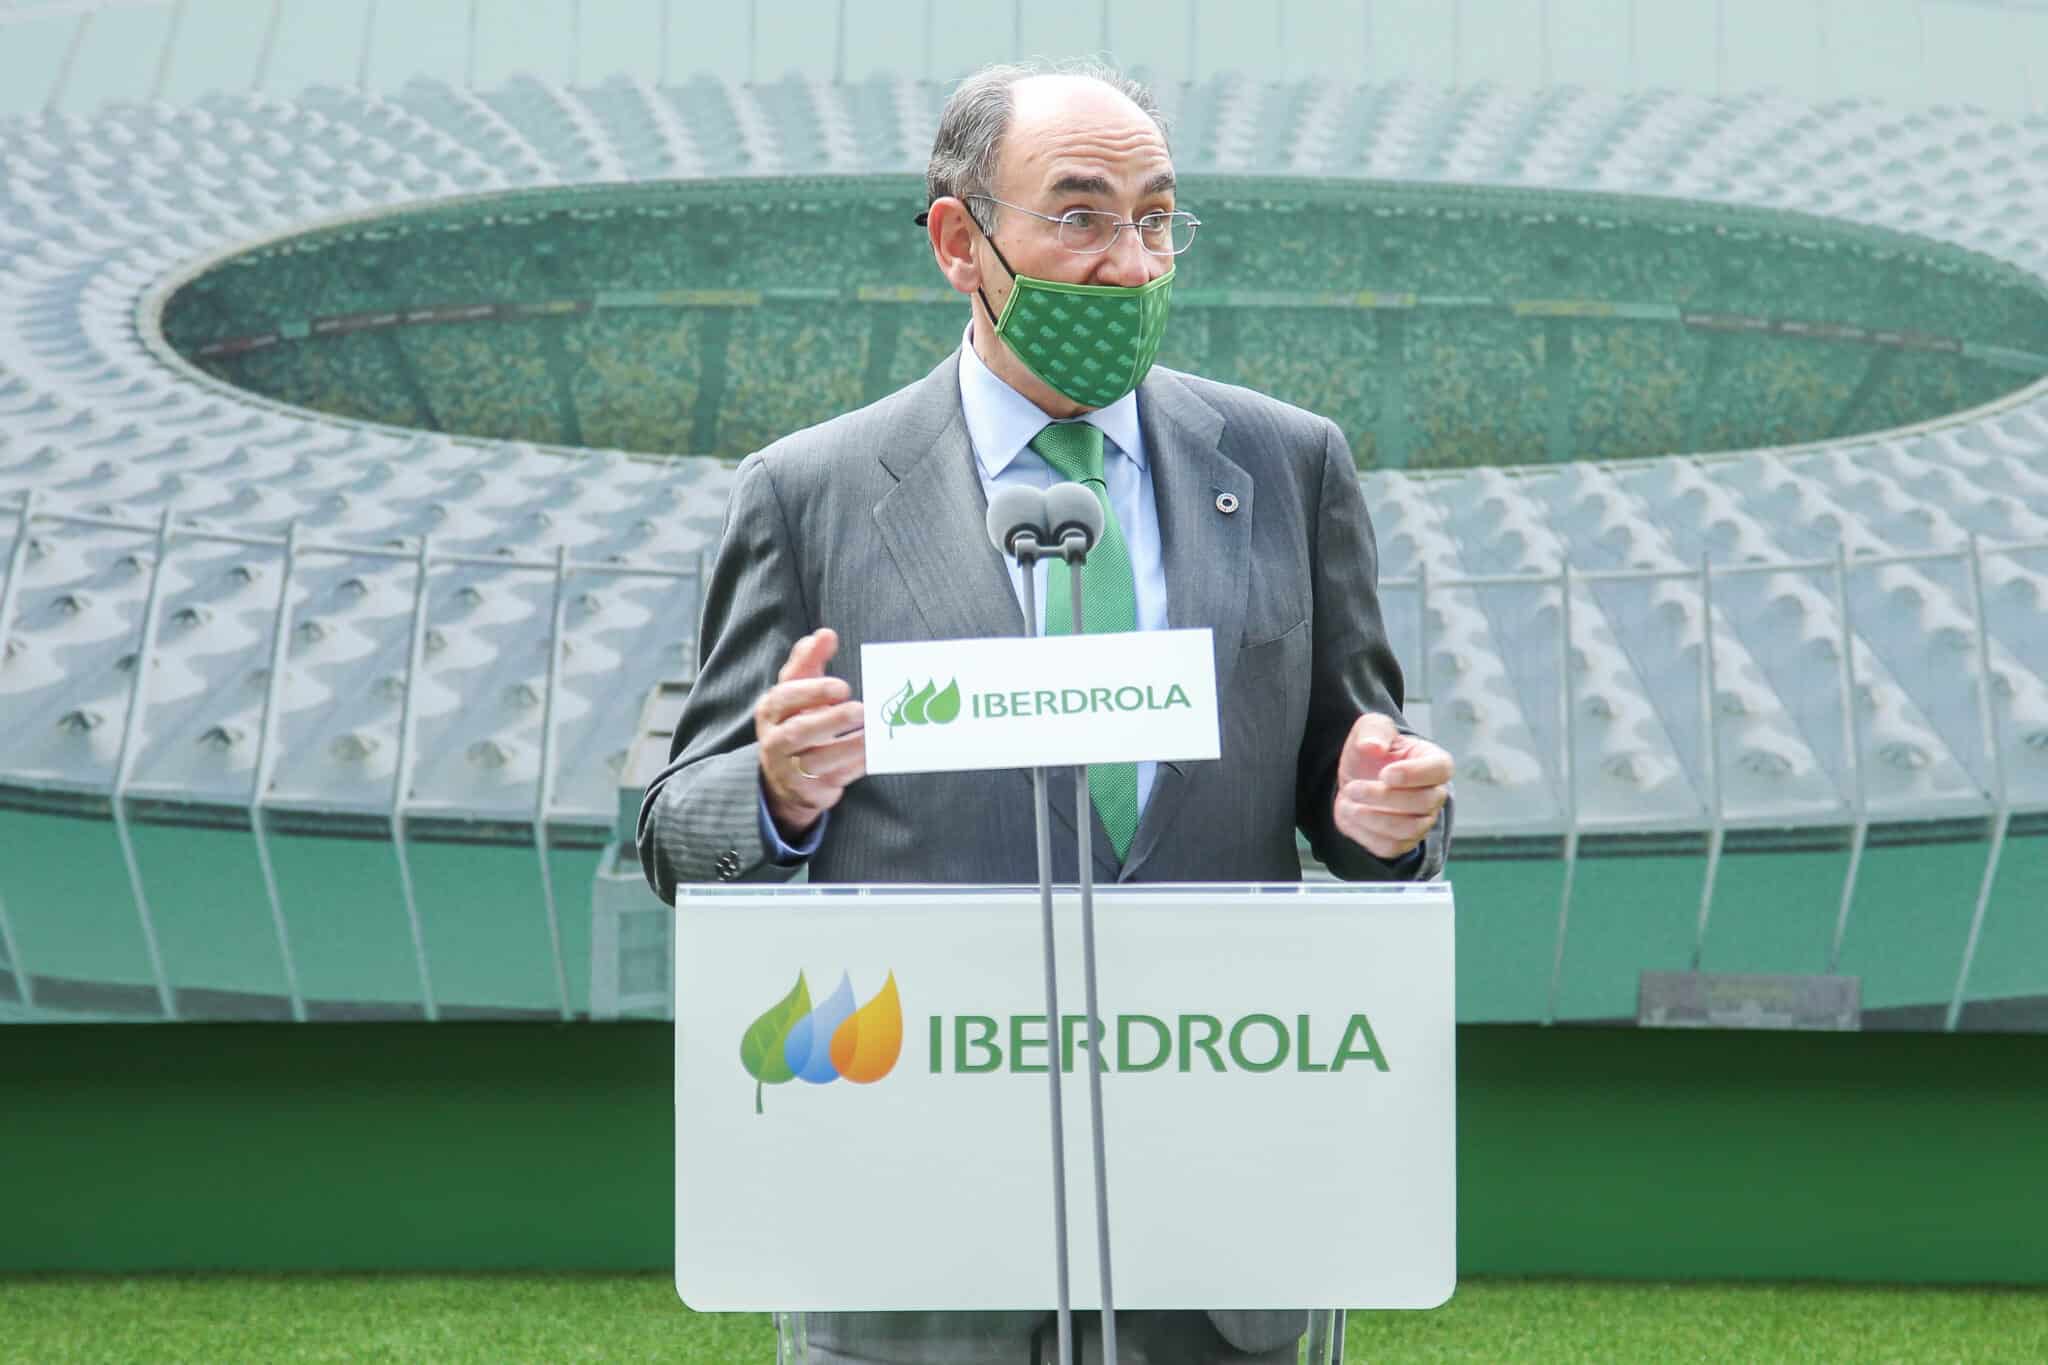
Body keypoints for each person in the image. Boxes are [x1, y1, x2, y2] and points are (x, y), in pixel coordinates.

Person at [641, 59, 1454, 1365]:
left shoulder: (1291, 465)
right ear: (961, 242)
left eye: (1154, 215)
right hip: (918, 1242)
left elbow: (1356, 774)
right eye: (1078, 215)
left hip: (1215, 1246)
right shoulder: (809, 492)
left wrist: (1383, 811)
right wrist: (780, 790)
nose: (1129, 262)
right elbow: (677, 832)